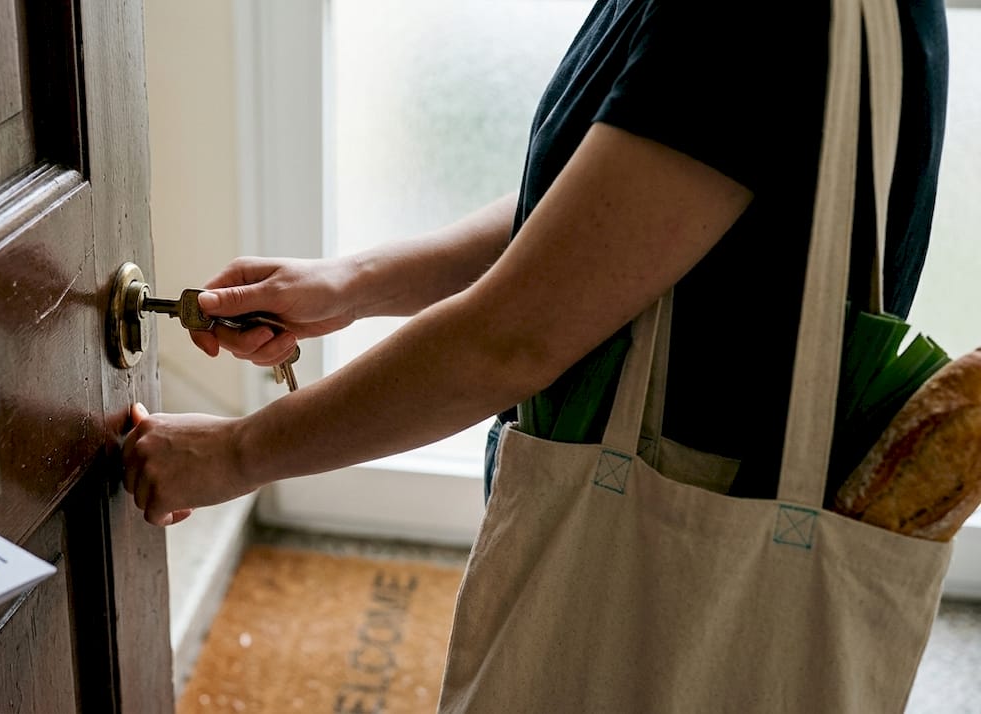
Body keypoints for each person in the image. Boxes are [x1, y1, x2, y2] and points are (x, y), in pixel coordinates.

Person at [120, 0, 948, 528]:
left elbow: (509, 342)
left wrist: (236, 454)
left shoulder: (755, 17)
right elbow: (601, 216)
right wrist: (354, 284)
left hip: (678, 530)